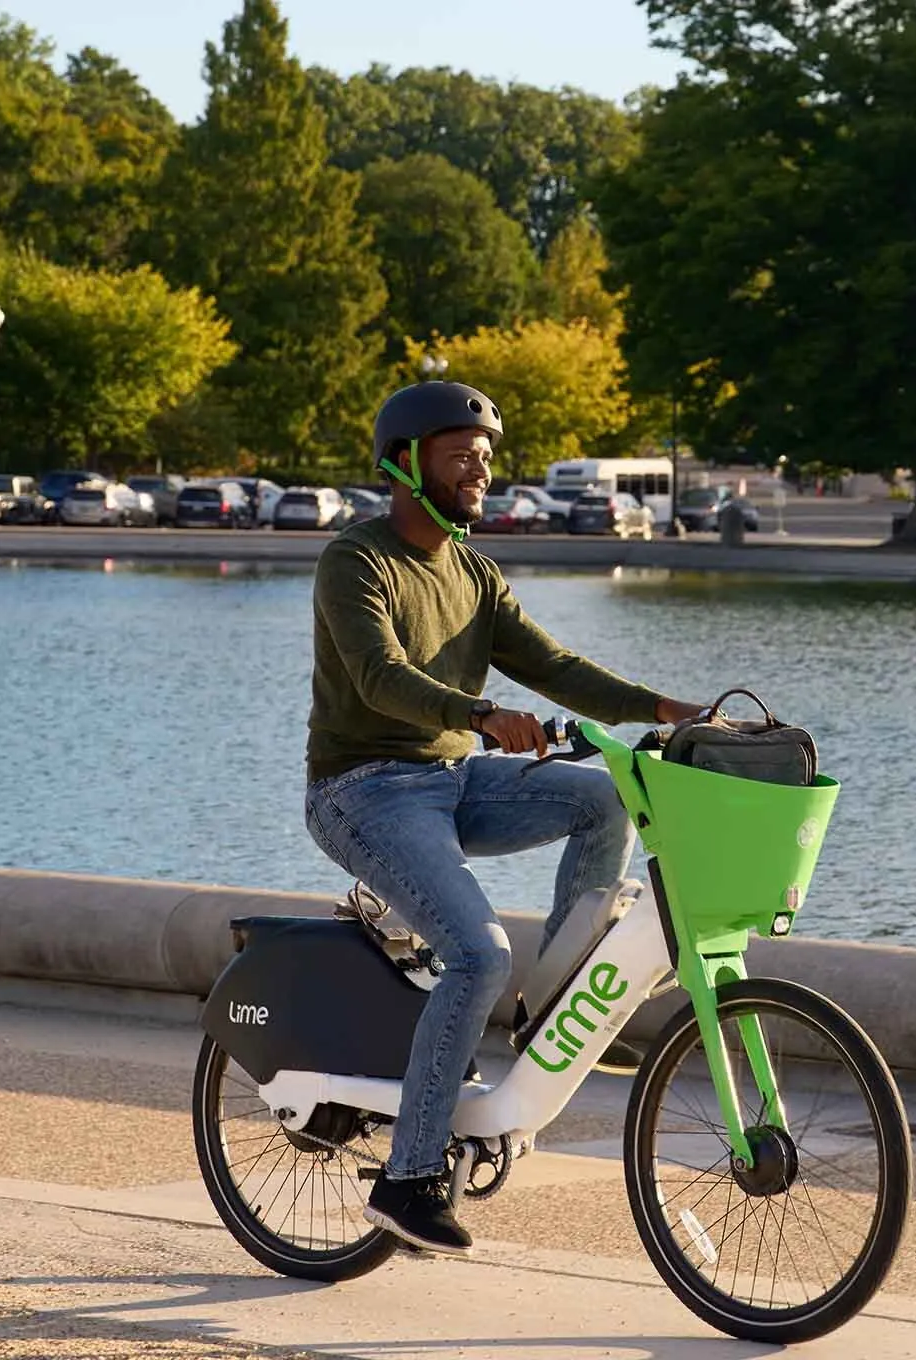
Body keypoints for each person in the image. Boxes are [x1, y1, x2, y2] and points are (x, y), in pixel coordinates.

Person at [304, 379, 707, 1256]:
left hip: (453, 780)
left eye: (487, 457)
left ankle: (553, 1005)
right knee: (477, 951)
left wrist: (667, 710)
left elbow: (555, 667)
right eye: (462, 456)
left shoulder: (474, 573)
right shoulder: (356, 561)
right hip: (362, 789)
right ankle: (406, 1181)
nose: (481, 471)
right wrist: (481, 716)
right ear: (407, 465)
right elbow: (381, 679)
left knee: (604, 797)